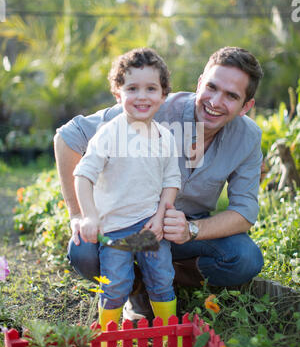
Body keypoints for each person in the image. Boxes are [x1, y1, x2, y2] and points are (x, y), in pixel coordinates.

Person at [54, 46, 265, 321]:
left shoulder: (248, 137)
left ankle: (163, 283)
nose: (215, 101)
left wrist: (192, 229)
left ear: (245, 106)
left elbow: (245, 211)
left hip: (183, 231)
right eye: (211, 87)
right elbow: (67, 138)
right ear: (200, 82)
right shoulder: (153, 105)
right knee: (83, 249)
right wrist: (80, 216)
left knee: (245, 257)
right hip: (128, 224)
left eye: (231, 96)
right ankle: (136, 289)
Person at [71, 47, 181, 331]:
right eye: (132, 88)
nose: (142, 96)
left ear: (163, 95)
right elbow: (83, 175)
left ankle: (166, 331)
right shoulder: (109, 134)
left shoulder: (165, 137)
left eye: (151, 88)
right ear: (118, 94)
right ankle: (107, 333)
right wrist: (89, 216)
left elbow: (171, 180)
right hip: (115, 229)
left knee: (161, 277)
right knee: (117, 282)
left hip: (149, 227)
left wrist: (161, 216)